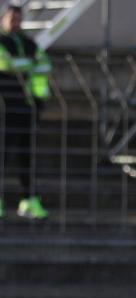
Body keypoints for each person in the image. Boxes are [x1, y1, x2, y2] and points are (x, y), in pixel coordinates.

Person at [0, 3, 50, 219]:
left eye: (19, 19)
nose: (16, 23)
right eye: (12, 19)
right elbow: (5, 64)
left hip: (26, 105)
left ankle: (29, 200)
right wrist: (29, 64)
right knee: (2, 155)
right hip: (4, 106)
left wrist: (25, 64)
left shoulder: (28, 42)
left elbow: (45, 64)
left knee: (26, 156)